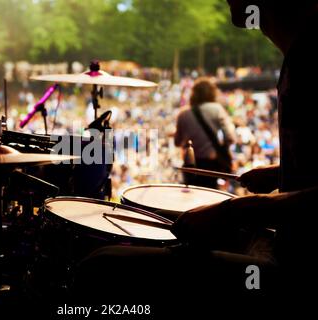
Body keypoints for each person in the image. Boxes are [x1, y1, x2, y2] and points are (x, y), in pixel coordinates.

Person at [72, 0, 318, 305]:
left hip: (299, 270)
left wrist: (235, 209)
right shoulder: (299, 54)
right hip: (284, 244)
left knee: (102, 265)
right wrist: (275, 174)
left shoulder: (314, 61)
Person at [175, 77, 236, 188]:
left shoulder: (183, 114)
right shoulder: (216, 109)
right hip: (211, 166)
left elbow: (177, 142)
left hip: (190, 165)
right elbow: (230, 137)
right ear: (212, 93)